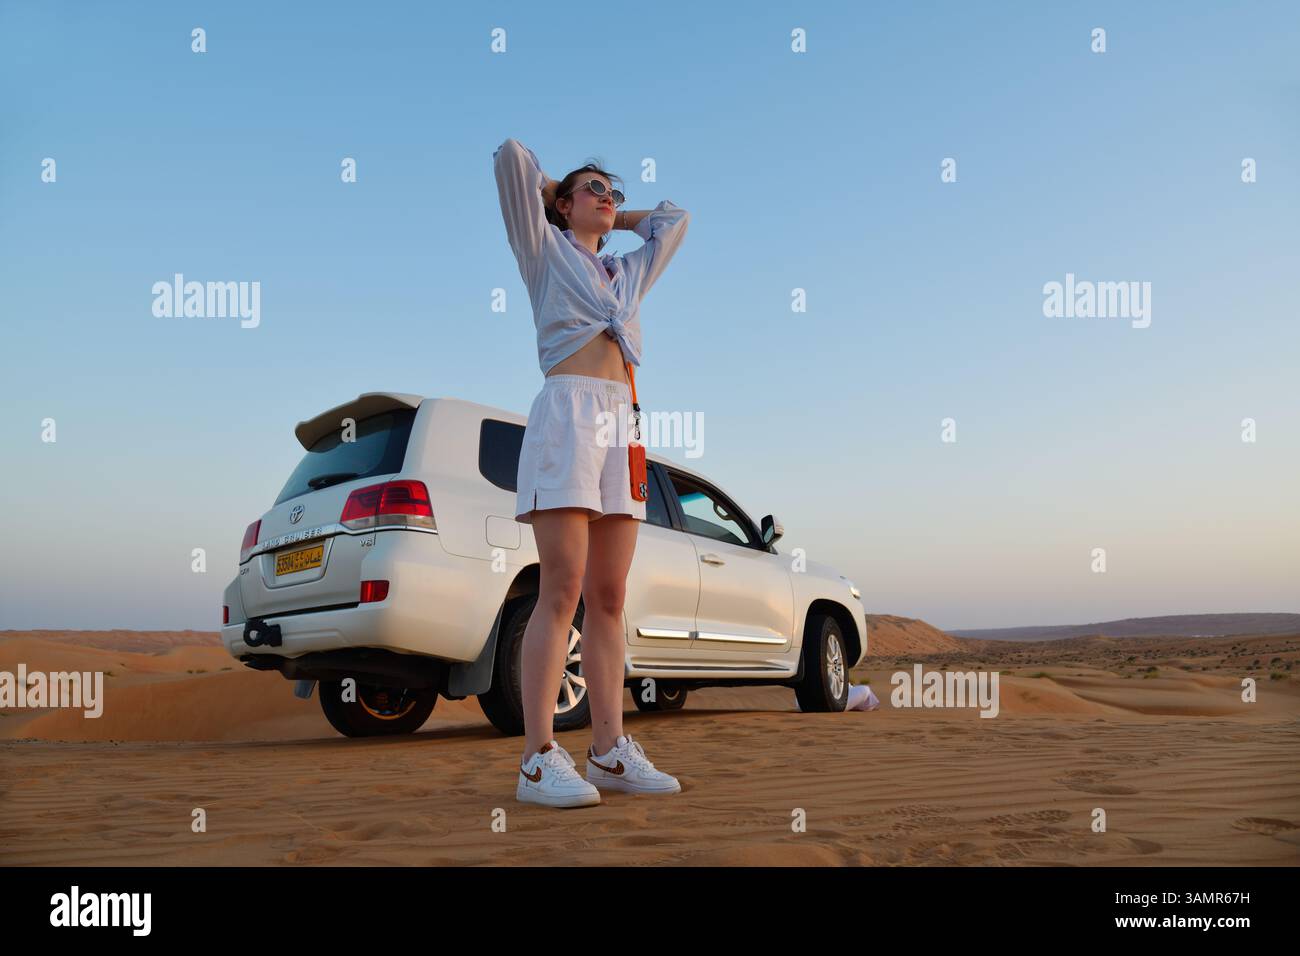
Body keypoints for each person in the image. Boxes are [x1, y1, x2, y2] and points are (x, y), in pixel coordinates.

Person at [492, 137, 689, 807]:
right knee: (562, 586)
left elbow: (675, 220)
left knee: (609, 596)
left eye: (615, 193)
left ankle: (608, 751)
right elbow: (511, 159)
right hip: (567, 415)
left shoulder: (627, 273)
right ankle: (537, 756)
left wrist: (620, 219)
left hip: (622, 423)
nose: (609, 200)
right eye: (595, 191)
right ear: (563, 203)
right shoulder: (543, 253)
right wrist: (554, 194)